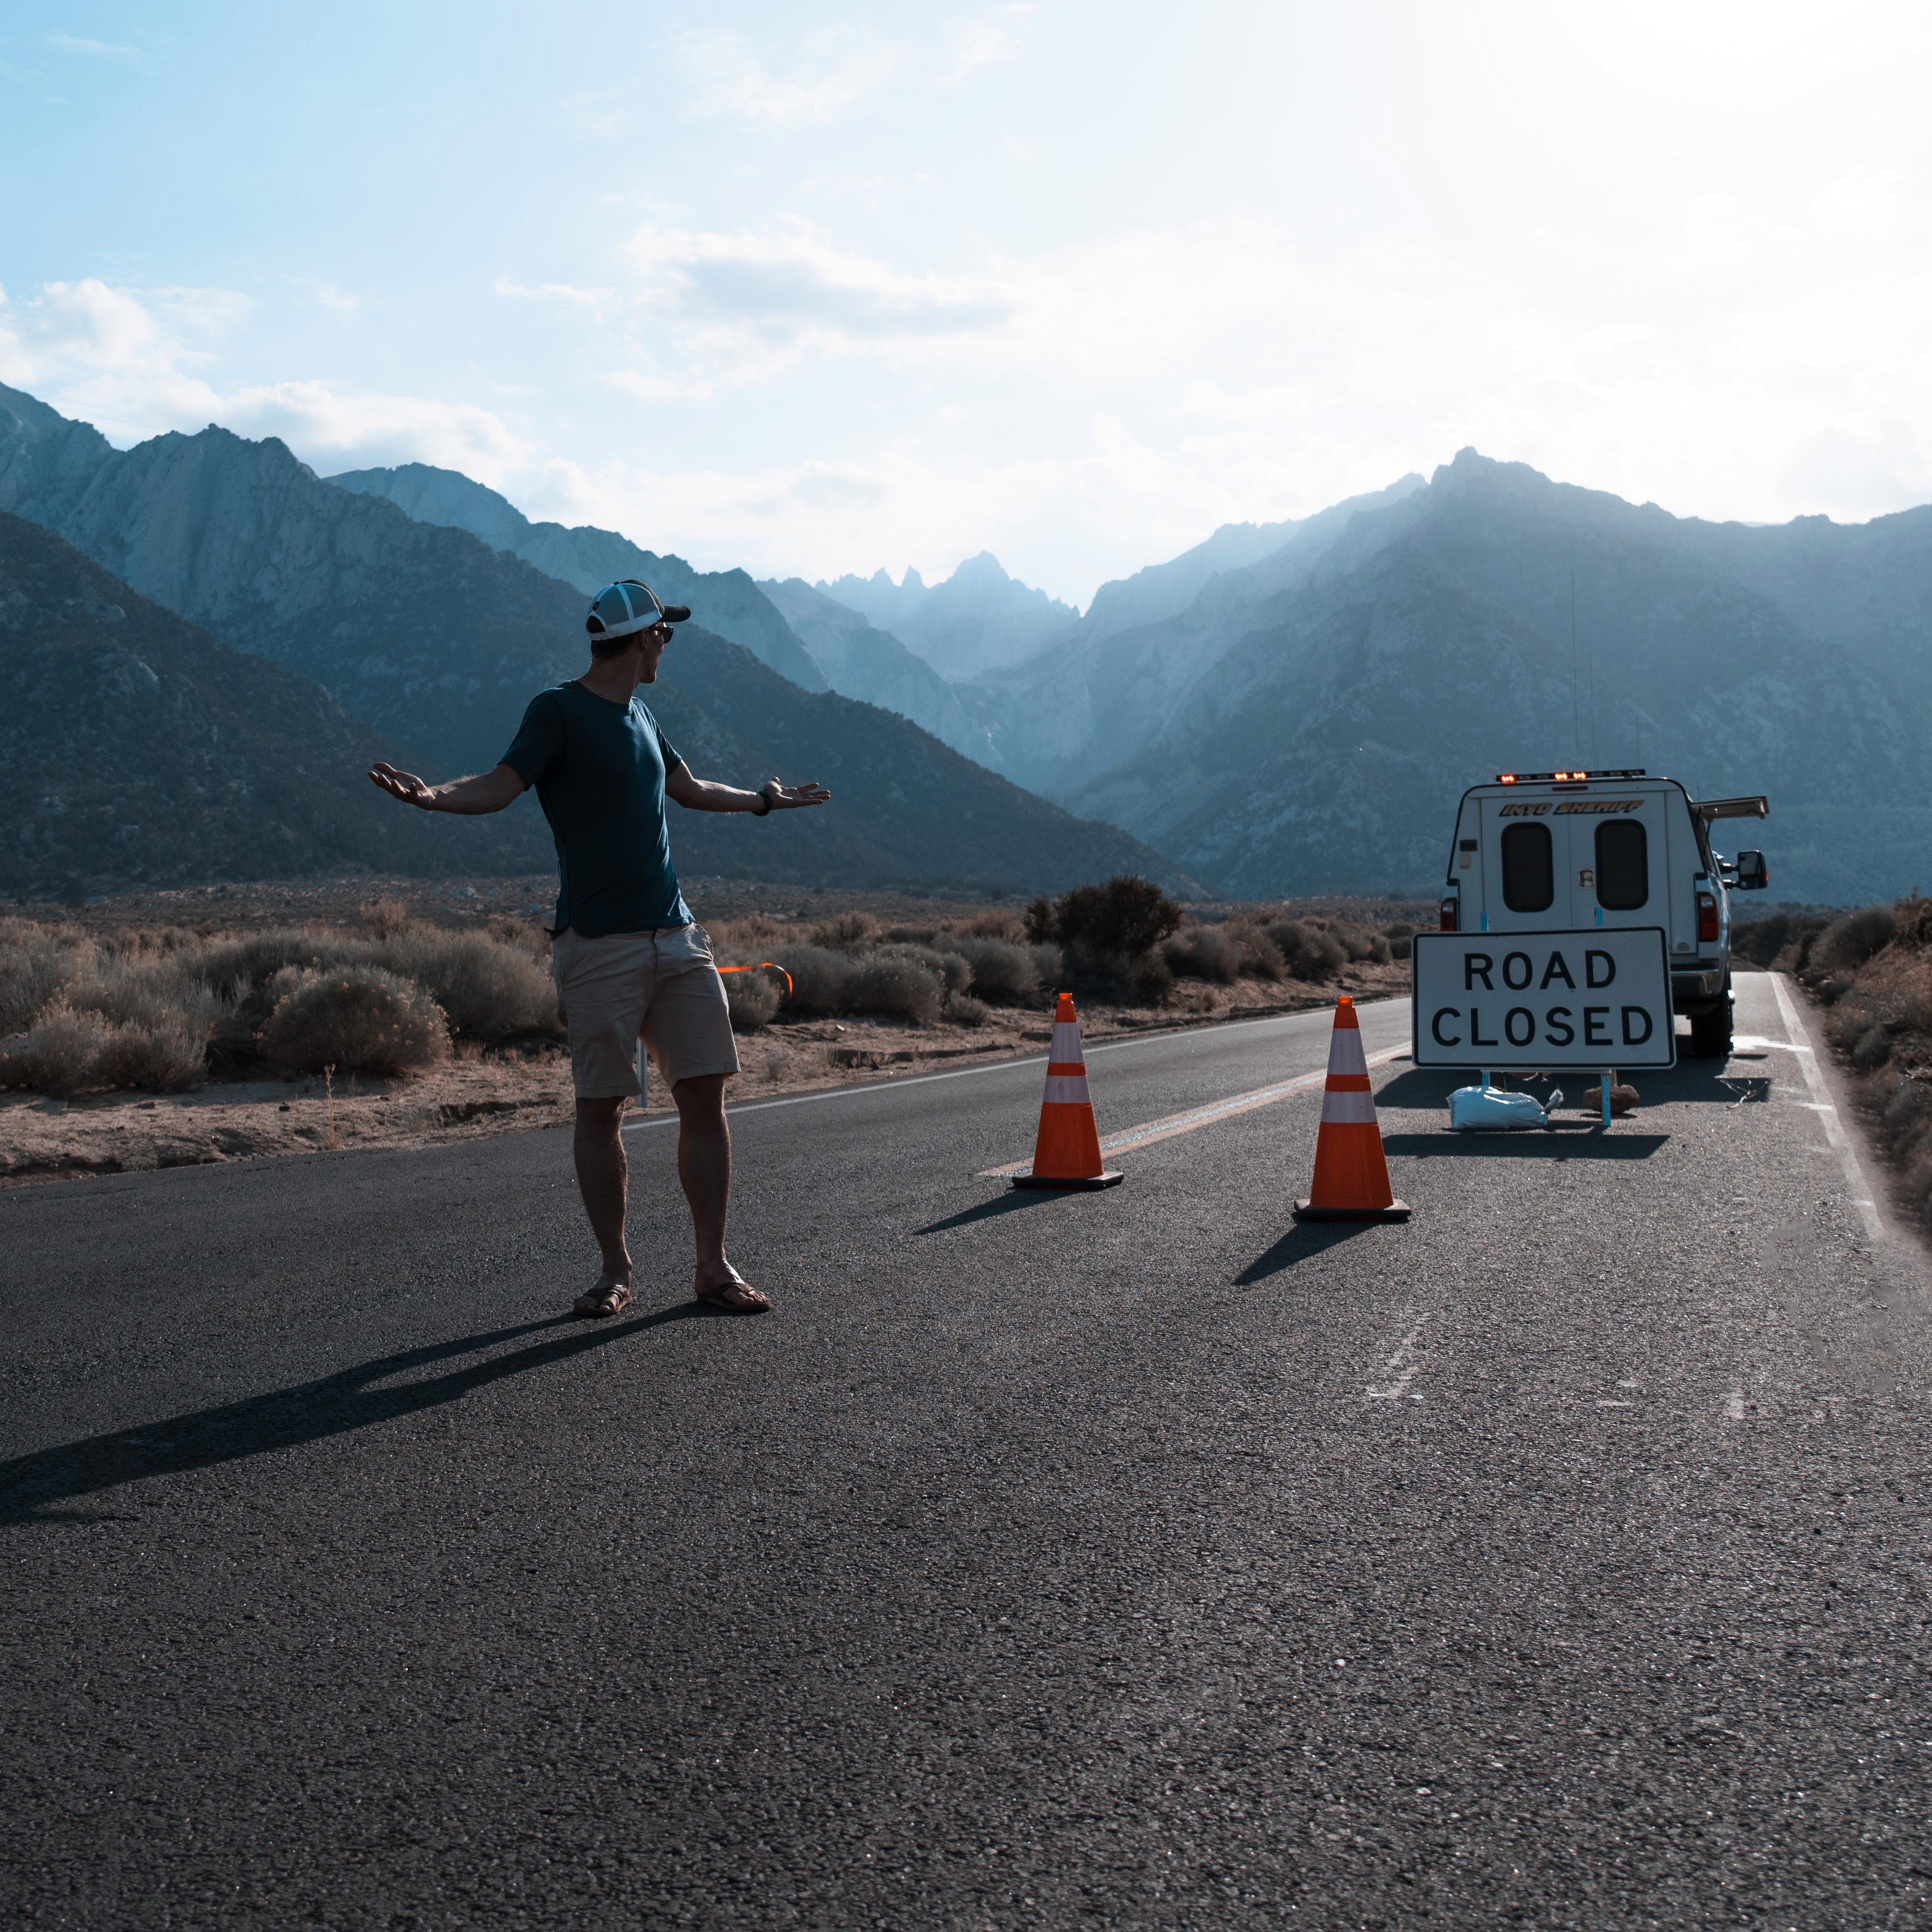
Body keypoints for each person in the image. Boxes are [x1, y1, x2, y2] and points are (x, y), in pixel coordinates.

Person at [368, 578, 829, 1318]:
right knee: (601, 1108)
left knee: (704, 1094)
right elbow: (499, 784)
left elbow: (690, 789)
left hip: (675, 935)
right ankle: (615, 1270)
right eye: (664, 636)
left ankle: (712, 1266)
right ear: (644, 639)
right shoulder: (558, 711)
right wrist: (433, 798)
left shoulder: (643, 715)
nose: (667, 648)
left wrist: (762, 800)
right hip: (597, 945)